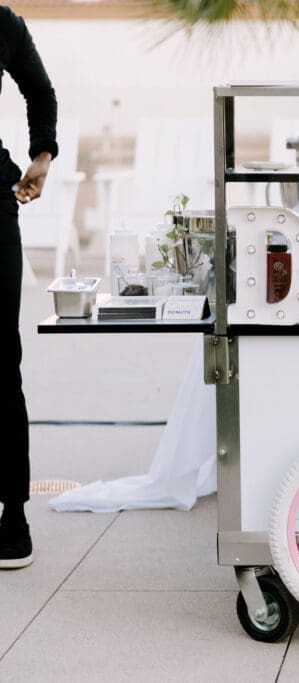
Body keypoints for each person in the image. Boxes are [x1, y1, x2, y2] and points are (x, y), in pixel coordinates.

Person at [0, 5, 59, 569]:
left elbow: (40, 92)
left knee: (0, 362)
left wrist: (42, 154)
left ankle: (12, 515)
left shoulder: (3, 25)